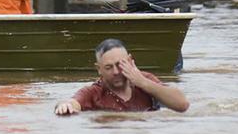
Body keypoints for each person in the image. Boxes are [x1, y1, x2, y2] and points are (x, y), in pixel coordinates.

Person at [55, 38, 190, 115]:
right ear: (99, 69)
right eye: (108, 67)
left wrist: (143, 83)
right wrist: (64, 106)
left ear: (130, 61)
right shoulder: (94, 93)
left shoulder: (145, 80)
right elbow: (73, 102)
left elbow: (182, 105)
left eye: (120, 65)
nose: (115, 72)